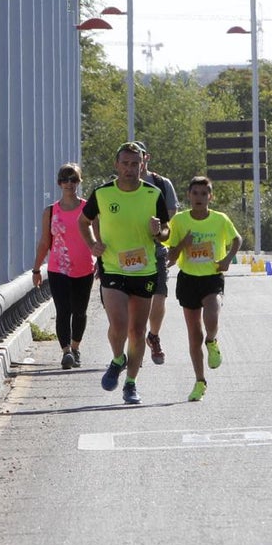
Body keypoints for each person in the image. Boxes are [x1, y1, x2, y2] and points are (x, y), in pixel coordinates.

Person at [78, 141, 170, 405]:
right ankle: (118, 358)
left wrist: (158, 232)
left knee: (138, 330)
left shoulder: (153, 194)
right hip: (113, 267)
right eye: (125, 164)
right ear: (116, 165)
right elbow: (83, 222)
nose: (130, 169)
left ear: (143, 165)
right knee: (118, 326)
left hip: (144, 270)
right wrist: (92, 243)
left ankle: (130, 383)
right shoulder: (103, 194)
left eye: (135, 164)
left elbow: (166, 231)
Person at [165, 176, 241, 402]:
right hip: (188, 278)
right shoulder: (179, 221)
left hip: (212, 277)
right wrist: (182, 245)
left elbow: (236, 239)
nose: (199, 198)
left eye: (204, 193)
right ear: (189, 195)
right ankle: (200, 381)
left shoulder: (220, 219)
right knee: (193, 334)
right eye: (195, 193)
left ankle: (212, 341)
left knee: (213, 311)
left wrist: (227, 258)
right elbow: (170, 255)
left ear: (211, 196)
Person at [32, 163, 96, 369]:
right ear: (59, 183)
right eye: (65, 179)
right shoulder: (50, 211)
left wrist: (102, 263)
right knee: (63, 310)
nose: (69, 183)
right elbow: (44, 242)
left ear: (79, 181)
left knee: (80, 311)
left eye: (74, 179)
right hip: (58, 268)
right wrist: (36, 269)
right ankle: (66, 351)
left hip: (84, 267)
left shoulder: (89, 209)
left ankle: (76, 348)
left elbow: (99, 239)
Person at [134, 141, 178, 366]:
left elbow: (170, 214)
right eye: (129, 160)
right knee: (134, 303)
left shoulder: (161, 183)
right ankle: (136, 344)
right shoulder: (115, 187)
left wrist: (157, 229)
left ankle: (153, 335)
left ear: (146, 158)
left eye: (138, 158)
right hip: (128, 253)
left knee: (158, 297)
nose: (134, 164)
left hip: (156, 250)